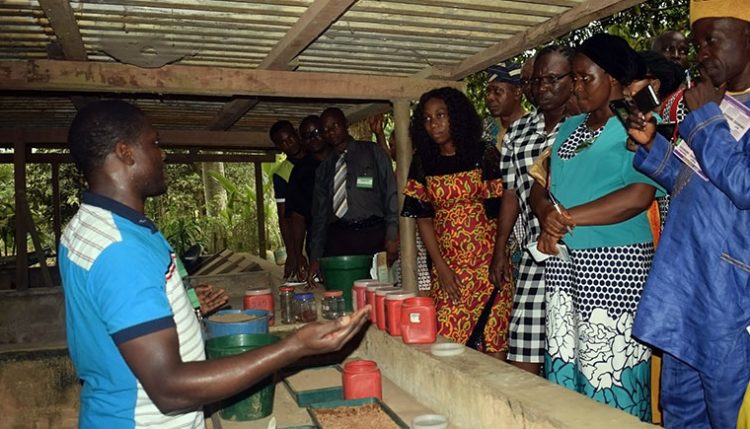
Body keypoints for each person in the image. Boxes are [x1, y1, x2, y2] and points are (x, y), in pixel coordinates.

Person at [59, 100, 370, 428]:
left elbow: (116, 317)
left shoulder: (92, 226)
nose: (162, 154)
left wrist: (184, 309)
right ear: (125, 152)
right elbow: (169, 387)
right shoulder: (121, 249)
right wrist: (295, 346)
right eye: (154, 143)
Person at [627, 3, 750, 427]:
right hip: (683, 285)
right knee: (680, 413)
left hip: (729, 297)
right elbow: (693, 182)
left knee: (725, 416)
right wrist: (651, 146)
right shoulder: (714, 104)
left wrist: (704, 118)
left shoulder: (709, 109)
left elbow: (745, 186)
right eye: (697, 42)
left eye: (712, 39)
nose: (701, 52)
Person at [530, 34, 663, 421]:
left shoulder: (636, 124)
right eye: (574, 78)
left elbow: (639, 195)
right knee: (567, 364)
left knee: (610, 370)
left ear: (615, 79)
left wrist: (567, 218)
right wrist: (545, 214)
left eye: (586, 78)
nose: (577, 86)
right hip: (564, 266)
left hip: (615, 267)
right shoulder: (569, 128)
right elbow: (543, 185)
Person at [402, 87, 513, 357]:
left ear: (457, 117)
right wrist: (441, 268)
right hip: (448, 267)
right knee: (448, 340)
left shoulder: (483, 154)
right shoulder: (422, 161)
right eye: (427, 118)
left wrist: (498, 256)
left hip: (488, 263)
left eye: (441, 115)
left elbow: (500, 212)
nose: (434, 124)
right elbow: (423, 218)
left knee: (492, 338)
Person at [490, 45, 576, 375]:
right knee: (523, 349)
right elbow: (511, 193)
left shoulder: (583, 126)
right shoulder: (517, 132)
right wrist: (500, 251)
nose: (542, 87)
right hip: (533, 252)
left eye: (552, 79)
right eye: (537, 80)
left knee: (567, 350)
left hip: (578, 251)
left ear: (572, 80)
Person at [307, 107, 399, 285]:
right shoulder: (324, 169)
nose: (331, 131)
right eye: (326, 129)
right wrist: (315, 257)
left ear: (345, 124)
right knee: (345, 292)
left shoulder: (372, 152)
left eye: (335, 125)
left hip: (373, 236)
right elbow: (319, 217)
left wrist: (391, 235)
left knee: (378, 291)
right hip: (339, 240)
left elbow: (391, 193)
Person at [285, 115, 332, 280]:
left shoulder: (344, 158)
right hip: (319, 245)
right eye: (307, 136)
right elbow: (297, 216)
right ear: (302, 140)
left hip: (352, 239)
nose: (313, 138)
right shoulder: (300, 172)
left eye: (317, 132)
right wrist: (297, 254)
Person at [269, 120, 306, 279]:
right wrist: (293, 254)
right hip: (305, 235)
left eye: (290, 137)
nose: (288, 144)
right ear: (278, 147)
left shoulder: (320, 156)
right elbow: (284, 217)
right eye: (282, 142)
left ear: (296, 134)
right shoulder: (282, 174)